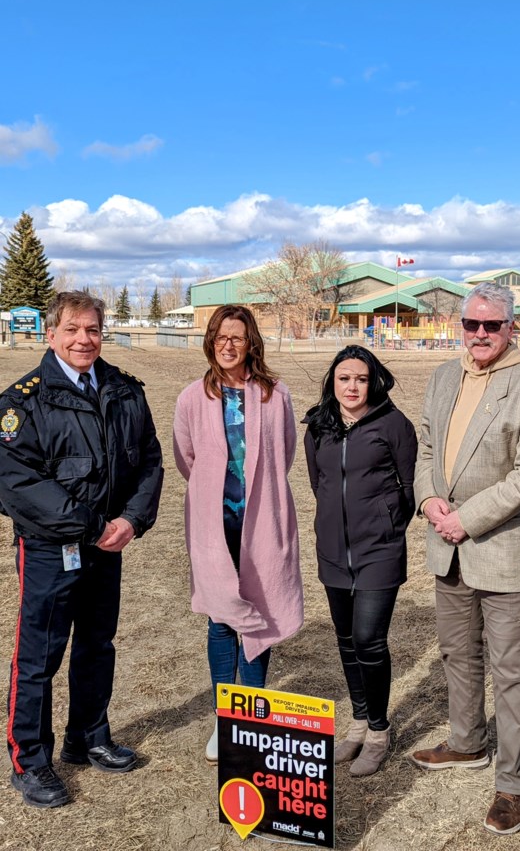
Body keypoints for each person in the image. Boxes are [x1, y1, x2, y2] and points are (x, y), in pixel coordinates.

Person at [408, 281, 520, 836]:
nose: (478, 334)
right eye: (470, 324)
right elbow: (426, 445)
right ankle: (467, 742)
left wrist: (464, 519)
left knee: (513, 673)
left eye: (490, 325)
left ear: (510, 328)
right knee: (457, 654)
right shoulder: (444, 375)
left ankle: (513, 783)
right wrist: (427, 498)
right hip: (446, 551)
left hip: (500, 552)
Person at [0, 291, 163, 808]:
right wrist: (92, 525)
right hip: (52, 550)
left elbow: (150, 463)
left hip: (108, 545)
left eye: (92, 329)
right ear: (50, 334)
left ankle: (87, 737)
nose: (83, 339)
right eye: (71, 329)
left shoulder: (124, 391)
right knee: (39, 657)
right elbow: (16, 483)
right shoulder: (21, 402)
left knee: (98, 644)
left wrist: (131, 521)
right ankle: (30, 760)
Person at [173, 305, 303, 764]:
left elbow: (283, 455)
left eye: (238, 338)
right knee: (221, 619)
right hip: (214, 524)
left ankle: (252, 717)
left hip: (262, 522)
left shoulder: (275, 394)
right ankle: (224, 718)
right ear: (210, 342)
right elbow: (186, 457)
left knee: (259, 615)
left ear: (252, 344)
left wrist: (256, 498)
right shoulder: (192, 397)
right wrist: (218, 494)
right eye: (220, 337)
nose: (228, 346)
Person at [303, 345, 417, 776]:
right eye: (344, 378)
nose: (353, 387)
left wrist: (385, 526)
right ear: (333, 381)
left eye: (361, 379)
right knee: (346, 639)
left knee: (369, 638)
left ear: (374, 382)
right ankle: (356, 723)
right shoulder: (318, 426)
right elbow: (320, 484)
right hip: (333, 552)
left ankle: (378, 731)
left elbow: (408, 488)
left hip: (379, 552)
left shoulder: (394, 425)